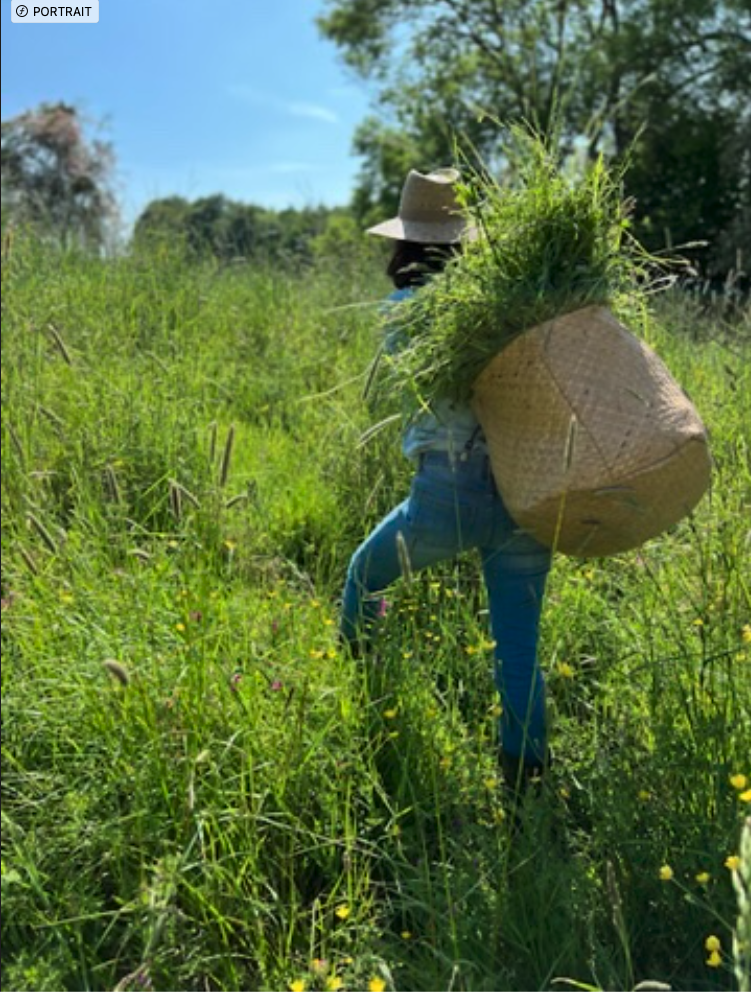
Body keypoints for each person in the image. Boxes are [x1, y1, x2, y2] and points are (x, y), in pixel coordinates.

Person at [340, 167, 553, 789]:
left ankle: (359, 678)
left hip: (445, 497)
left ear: (406, 243)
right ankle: (525, 786)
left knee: (362, 575)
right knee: (519, 648)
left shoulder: (403, 310)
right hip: (524, 495)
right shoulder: (519, 312)